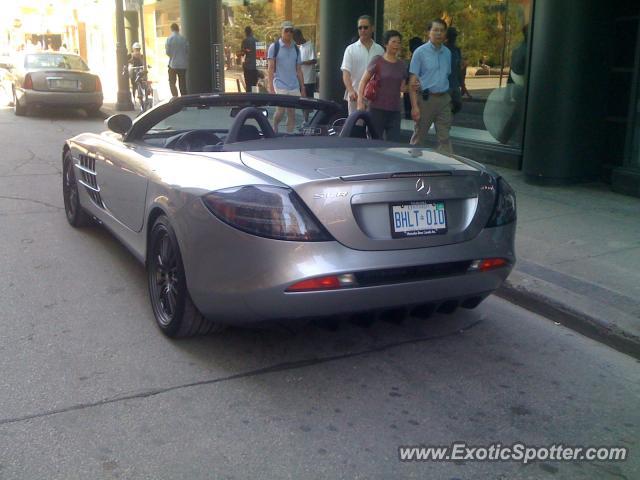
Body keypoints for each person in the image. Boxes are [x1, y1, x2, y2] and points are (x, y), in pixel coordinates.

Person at [409, 18, 453, 154]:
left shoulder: (448, 53)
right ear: (429, 32)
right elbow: (412, 82)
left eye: (441, 30)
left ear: (445, 33)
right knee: (419, 137)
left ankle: (446, 168)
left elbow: (448, 76)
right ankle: (412, 166)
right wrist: (414, 107)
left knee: (445, 138)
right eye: (435, 30)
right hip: (426, 100)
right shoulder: (420, 53)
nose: (438, 33)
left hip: (444, 100)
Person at [357, 30, 407, 142]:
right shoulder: (378, 61)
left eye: (399, 42)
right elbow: (363, 81)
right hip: (376, 109)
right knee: (374, 143)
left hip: (395, 110)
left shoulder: (402, 65)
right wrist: (360, 102)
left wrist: (416, 85)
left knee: (393, 143)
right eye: (393, 42)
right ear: (386, 44)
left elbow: (402, 88)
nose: (396, 45)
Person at [340, 15, 384, 115]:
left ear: (372, 28)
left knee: (372, 127)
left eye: (365, 27)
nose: (362, 30)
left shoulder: (380, 50)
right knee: (355, 128)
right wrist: (350, 91)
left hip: (374, 98)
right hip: (355, 97)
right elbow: (346, 73)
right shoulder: (350, 49)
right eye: (360, 28)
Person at [267, 21, 306, 133]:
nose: (289, 33)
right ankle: (274, 127)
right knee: (281, 110)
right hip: (280, 84)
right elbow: (270, 68)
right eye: (286, 30)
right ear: (282, 32)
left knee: (292, 113)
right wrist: (271, 87)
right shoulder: (274, 47)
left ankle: (289, 136)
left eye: (291, 31)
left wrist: (302, 87)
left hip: (293, 85)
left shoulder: (296, 49)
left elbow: (298, 69)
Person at [293, 28, 317, 121]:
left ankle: (306, 121)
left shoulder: (310, 45)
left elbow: (314, 60)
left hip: (309, 79)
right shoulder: (300, 47)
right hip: (302, 79)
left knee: (308, 101)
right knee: (303, 101)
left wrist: (302, 63)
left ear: (300, 36)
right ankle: (305, 120)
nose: (295, 41)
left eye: (296, 38)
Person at [165, 23, 188, 96]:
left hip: (173, 64)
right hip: (183, 65)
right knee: (182, 83)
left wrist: (173, 56)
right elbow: (187, 50)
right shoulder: (183, 39)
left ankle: (175, 97)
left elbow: (168, 52)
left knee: (172, 83)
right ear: (178, 29)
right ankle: (184, 98)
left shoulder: (169, 39)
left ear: (171, 29)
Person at [445, 27, 463, 114]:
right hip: (445, 84)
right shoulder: (442, 49)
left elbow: (459, 68)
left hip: (455, 83)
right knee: (444, 106)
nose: (454, 38)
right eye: (452, 36)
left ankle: (447, 118)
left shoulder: (457, 50)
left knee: (458, 104)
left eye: (455, 36)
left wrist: (462, 84)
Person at [241, 26, 258, 92]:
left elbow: (242, 53)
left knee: (248, 85)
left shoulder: (245, 41)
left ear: (245, 32)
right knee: (254, 85)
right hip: (255, 67)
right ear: (251, 32)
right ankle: (254, 99)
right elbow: (261, 56)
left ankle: (249, 100)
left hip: (248, 66)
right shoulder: (257, 40)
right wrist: (261, 69)